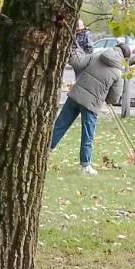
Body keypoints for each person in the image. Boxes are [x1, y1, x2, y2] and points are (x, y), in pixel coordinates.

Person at [51, 42, 129, 176]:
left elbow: (79, 63)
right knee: (88, 135)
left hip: (76, 95)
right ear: (124, 58)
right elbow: (114, 99)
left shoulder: (97, 55)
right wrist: (107, 98)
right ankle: (85, 166)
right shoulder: (118, 72)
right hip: (92, 104)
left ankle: (45, 150)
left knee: (60, 125)